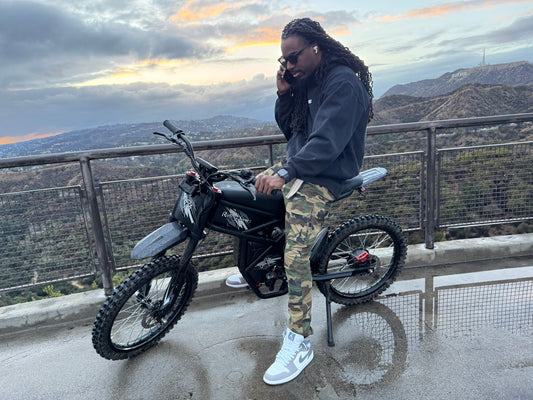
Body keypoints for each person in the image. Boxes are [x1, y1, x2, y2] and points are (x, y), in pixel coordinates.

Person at [226, 17, 373, 385]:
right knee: (249, 192)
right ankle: (257, 265)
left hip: (326, 174)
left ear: (316, 48)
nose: (288, 66)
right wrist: (284, 94)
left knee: (296, 257)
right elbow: (293, 130)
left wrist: (287, 174)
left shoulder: (343, 83)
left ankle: (299, 340)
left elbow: (325, 144)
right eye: (283, 62)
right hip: (302, 164)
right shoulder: (309, 81)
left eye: (293, 59)